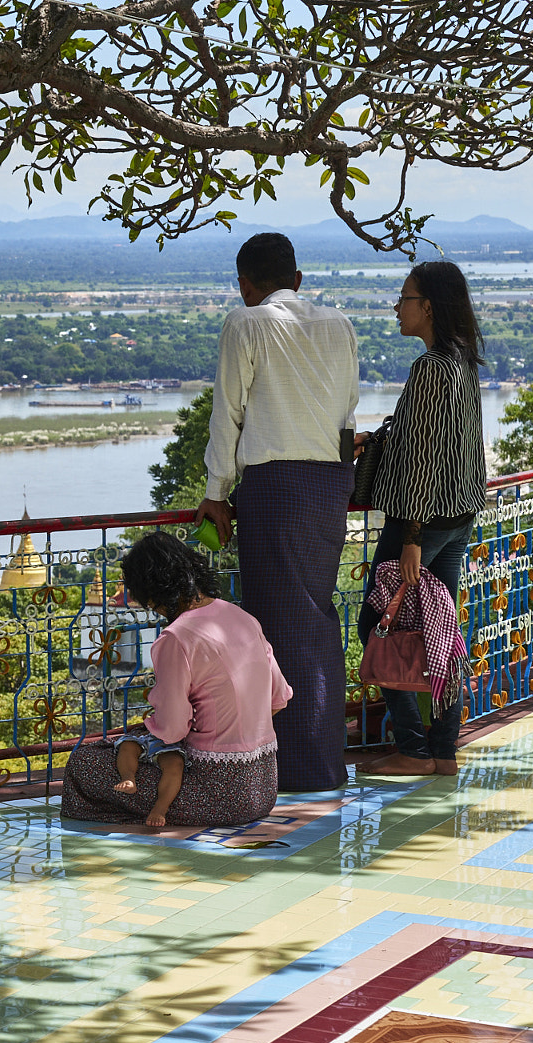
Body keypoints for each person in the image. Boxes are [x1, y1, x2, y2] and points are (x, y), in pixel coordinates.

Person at [195, 232, 359, 792]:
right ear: (297, 278)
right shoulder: (338, 323)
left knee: (277, 627)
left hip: (275, 485)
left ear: (245, 285)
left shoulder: (247, 323)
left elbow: (228, 414)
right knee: (315, 618)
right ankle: (323, 763)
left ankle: (290, 769)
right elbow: (346, 412)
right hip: (330, 485)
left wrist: (217, 490)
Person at [61, 533, 292, 827]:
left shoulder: (176, 638)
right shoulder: (242, 616)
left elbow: (171, 729)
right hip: (263, 786)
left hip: (216, 794)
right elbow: (279, 699)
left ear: (154, 592)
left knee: (86, 762)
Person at [355, 262, 486, 778]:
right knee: (441, 629)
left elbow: (424, 460)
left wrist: (410, 536)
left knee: (378, 622)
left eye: (404, 298)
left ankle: (412, 747)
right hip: (458, 515)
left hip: (423, 521)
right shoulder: (462, 362)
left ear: (427, 306)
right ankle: (445, 749)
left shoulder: (431, 367)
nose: (397, 307)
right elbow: (456, 448)